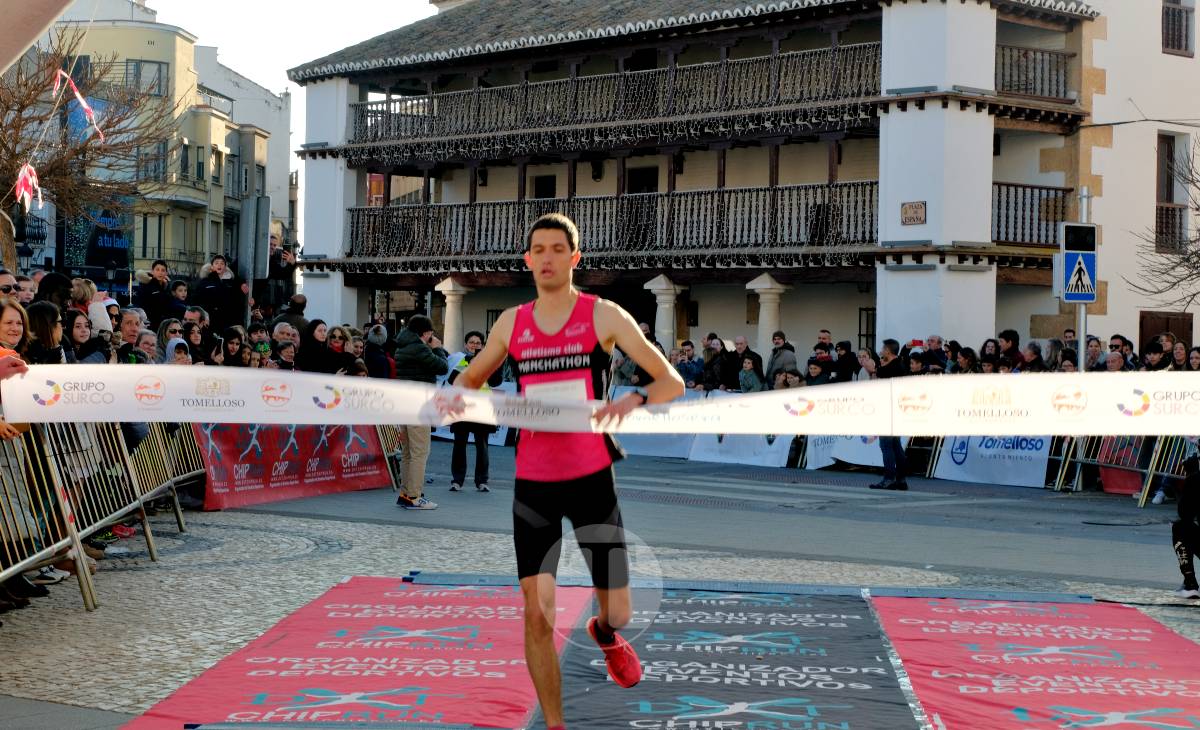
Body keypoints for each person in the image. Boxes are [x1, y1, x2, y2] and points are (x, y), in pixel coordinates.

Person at [455, 213, 683, 728]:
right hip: (534, 482)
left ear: (574, 258)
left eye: (559, 249)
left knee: (620, 610)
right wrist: (472, 404)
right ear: (528, 259)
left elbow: (671, 382)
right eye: (540, 249)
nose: (548, 258)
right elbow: (470, 382)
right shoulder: (511, 323)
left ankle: (605, 634)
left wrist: (635, 397)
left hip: (591, 477)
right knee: (538, 613)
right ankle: (556, 725)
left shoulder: (603, 315)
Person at [392, 314, 449, 510]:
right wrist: (438, 348)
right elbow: (442, 367)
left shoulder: (402, 345)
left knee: (408, 452)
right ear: (426, 333)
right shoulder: (419, 348)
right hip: (419, 404)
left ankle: (405, 493)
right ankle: (414, 496)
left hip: (404, 403)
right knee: (420, 452)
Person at [447, 331, 503, 492]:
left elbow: (495, 382)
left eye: (478, 343)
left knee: (482, 445)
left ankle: (482, 481)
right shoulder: (461, 361)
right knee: (459, 444)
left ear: (483, 346)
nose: (474, 345)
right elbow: (452, 380)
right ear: (465, 345)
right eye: (471, 342)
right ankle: (457, 480)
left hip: (482, 408)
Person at [872, 338, 908, 492]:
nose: (881, 351)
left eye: (883, 348)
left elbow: (879, 374)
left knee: (887, 445)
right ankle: (900, 479)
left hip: (890, 410)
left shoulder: (894, 366)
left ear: (888, 350)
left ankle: (889, 478)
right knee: (895, 445)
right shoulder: (899, 364)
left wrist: (872, 368)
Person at [192, 254, 248, 332]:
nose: (219, 265)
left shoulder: (232, 284)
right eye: (216, 263)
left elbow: (238, 302)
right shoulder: (204, 282)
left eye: (222, 263)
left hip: (228, 323)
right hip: (210, 322)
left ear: (225, 267)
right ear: (211, 267)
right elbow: (197, 301)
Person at [1171, 456, 1200, 599]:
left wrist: (1191, 475)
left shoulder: (1196, 479)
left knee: (1180, 528)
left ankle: (1190, 584)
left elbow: (1184, 513)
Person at [134, 259, 172, 327]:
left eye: (163, 270)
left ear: (166, 273)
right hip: (148, 324)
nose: (160, 273)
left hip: (163, 324)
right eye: (157, 270)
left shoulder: (166, 287)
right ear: (152, 271)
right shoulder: (146, 285)